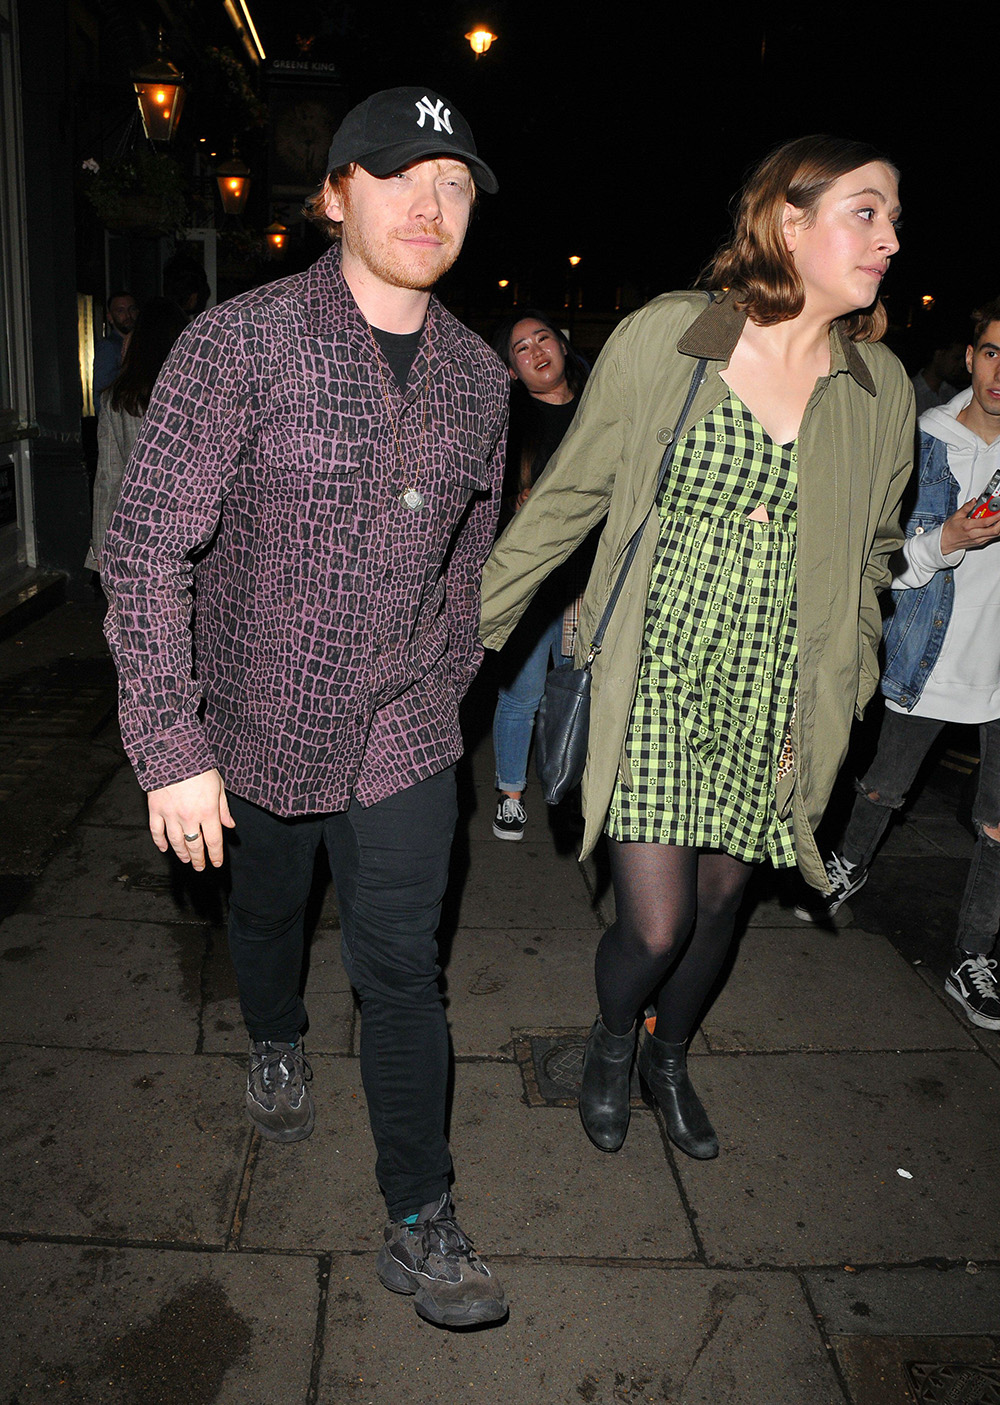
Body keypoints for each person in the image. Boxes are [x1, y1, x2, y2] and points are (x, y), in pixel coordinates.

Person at [100, 87, 509, 1329]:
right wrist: (172, 743)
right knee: (266, 918)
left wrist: (442, 674)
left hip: (401, 726)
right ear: (335, 196)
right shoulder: (238, 342)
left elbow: (474, 551)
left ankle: (416, 1216)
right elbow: (145, 547)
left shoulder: (480, 378)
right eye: (397, 177)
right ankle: (272, 1035)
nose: (430, 204)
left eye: (454, 183)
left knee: (403, 971)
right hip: (256, 723)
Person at [480, 135, 914, 1162]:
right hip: (659, 668)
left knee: (723, 903)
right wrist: (466, 626)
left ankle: (669, 1054)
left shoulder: (879, 386)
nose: (890, 238)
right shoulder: (676, 336)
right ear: (789, 221)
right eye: (866, 211)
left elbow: (875, 552)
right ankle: (608, 1038)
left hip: (778, 690)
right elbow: (575, 492)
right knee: (657, 925)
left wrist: (846, 684)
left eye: (894, 218)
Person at [797, 297, 1000, 1031]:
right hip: (930, 660)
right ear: (969, 355)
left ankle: (975, 953)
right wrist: (947, 538)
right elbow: (887, 564)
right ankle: (847, 861)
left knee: (998, 827)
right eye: (990, 352)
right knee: (882, 786)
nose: (999, 372)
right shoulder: (927, 441)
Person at [489, 311, 590, 840]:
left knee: (577, 688)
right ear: (512, 370)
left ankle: (568, 782)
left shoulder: (601, 408)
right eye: (521, 349)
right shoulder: (507, 426)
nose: (536, 352)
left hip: (588, 583)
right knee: (523, 693)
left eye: (542, 338)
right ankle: (510, 792)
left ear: (561, 344)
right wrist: (515, 502)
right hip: (532, 585)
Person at [85, 297, 189, 571]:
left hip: (137, 531)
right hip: (193, 529)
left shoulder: (116, 400)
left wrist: (100, 547)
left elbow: (108, 477)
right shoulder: (196, 396)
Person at [92, 291, 139, 403]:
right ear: (110, 317)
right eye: (120, 311)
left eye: (131, 309)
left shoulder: (140, 344)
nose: (127, 315)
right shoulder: (108, 347)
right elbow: (101, 394)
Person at [911, 331, 966, 416]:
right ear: (939, 354)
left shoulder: (953, 394)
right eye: (957, 358)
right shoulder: (912, 392)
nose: (962, 365)